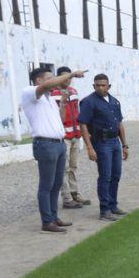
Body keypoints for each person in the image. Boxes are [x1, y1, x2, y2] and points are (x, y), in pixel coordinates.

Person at [21, 65, 85, 233]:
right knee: (46, 185)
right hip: (45, 144)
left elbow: (61, 119)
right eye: (49, 78)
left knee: (56, 183)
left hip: (58, 143)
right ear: (39, 80)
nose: (53, 81)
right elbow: (47, 86)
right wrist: (70, 74)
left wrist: (63, 103)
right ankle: (46, 221)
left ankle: (53, 217)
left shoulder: (49, 98)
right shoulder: (30, 92)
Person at [79, 73, 129, 221]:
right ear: (93, 86)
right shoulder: (89, 102)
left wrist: (125, 145)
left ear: (109, 86)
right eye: (97, 85)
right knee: (105, 176)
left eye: (103, 85)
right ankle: (104, 209)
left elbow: (119, 124)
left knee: (116, 175)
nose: (100, 87)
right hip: (101, 143)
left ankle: (113, 205)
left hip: (115, 142)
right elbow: (83, 124)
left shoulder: (114, 102)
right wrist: (89, 148)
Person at [52, 67, 90, 210]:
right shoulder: (53, 94)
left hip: (75, 135)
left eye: (70, 77)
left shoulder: (74, 92)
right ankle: (66, 198)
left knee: (73, 167)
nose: (67, 80)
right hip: (64, 137)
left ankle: (75, 194)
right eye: (65, 77)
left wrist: (80, 131)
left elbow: (77, 113)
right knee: (64, 168)